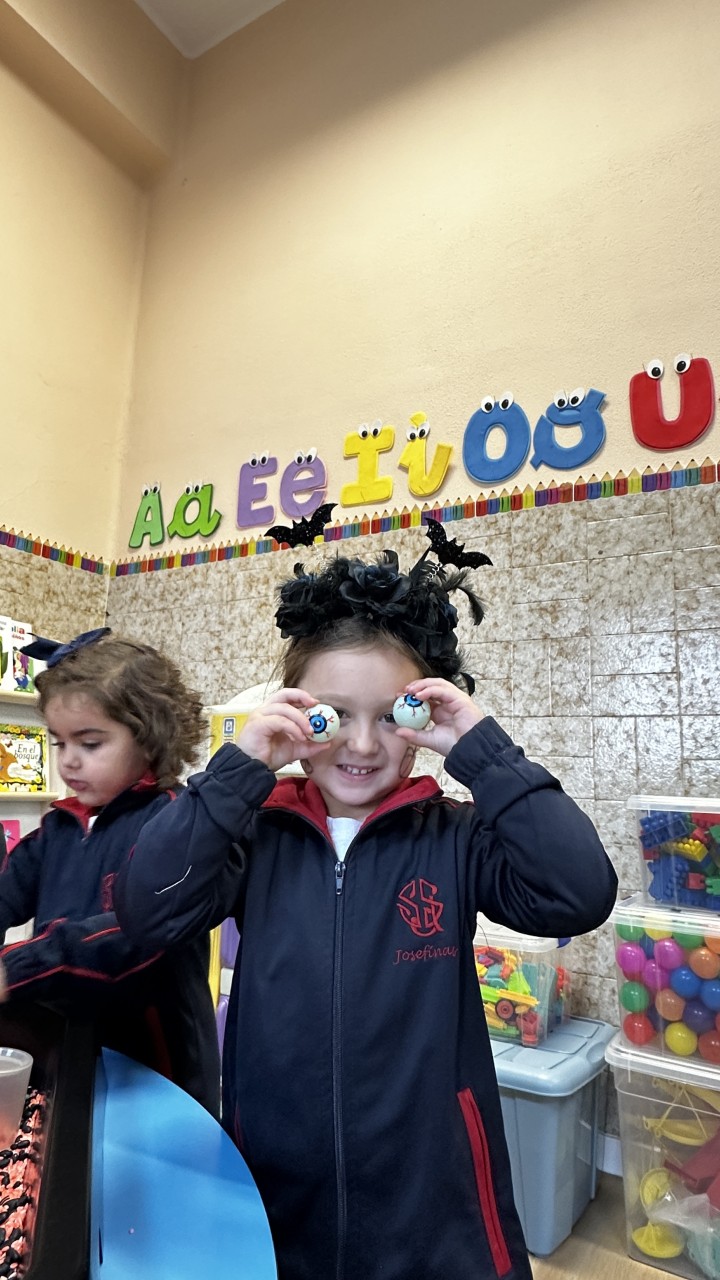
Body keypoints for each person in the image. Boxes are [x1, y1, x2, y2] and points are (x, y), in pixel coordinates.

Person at [113, 535, 618, 1280]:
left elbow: (579, 892)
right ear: (294, 715)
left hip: (434, 1211)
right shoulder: (257, 833)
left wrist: (482, 750)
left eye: (390, 716)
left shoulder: (454, 837)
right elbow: (146, 908)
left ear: (422, 716)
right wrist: (239, 770)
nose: (361, 743)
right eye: (334, 714)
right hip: (276, 1198)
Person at [0, 628, 227, 1117]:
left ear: (149, 738)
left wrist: (15, 968)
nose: (68, 760)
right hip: (71, 1048)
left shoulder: (175, 825)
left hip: (156, 1068)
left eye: (90, 743)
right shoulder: (58, 827)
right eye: (59, 742)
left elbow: (131, 938)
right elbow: (6, 892)